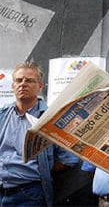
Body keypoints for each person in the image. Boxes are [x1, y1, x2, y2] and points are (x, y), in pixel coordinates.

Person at [0, 62, 79, 206]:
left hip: (28, 194)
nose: (23, 84)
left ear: (40, 87)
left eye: (29, 80)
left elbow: (69, 158)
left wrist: (43, 169)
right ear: (12, 86)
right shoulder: (2, 116)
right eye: (18, 80)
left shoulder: (51, 117)